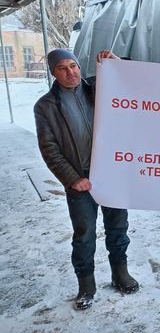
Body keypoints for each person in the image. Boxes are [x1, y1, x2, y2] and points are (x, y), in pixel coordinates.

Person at [34, 49, 138, 310]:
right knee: (84, 234)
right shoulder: (46, 107)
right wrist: (72, 179)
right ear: (53, 73)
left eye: (74, 65)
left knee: (118, 227)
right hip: (80, 180)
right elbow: (50, 149)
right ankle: (86, 284)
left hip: (110, 174)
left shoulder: (98, 88)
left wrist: (114, 62)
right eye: (62, 68)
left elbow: (133, 79)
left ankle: (120, 273)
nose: (71, 72)